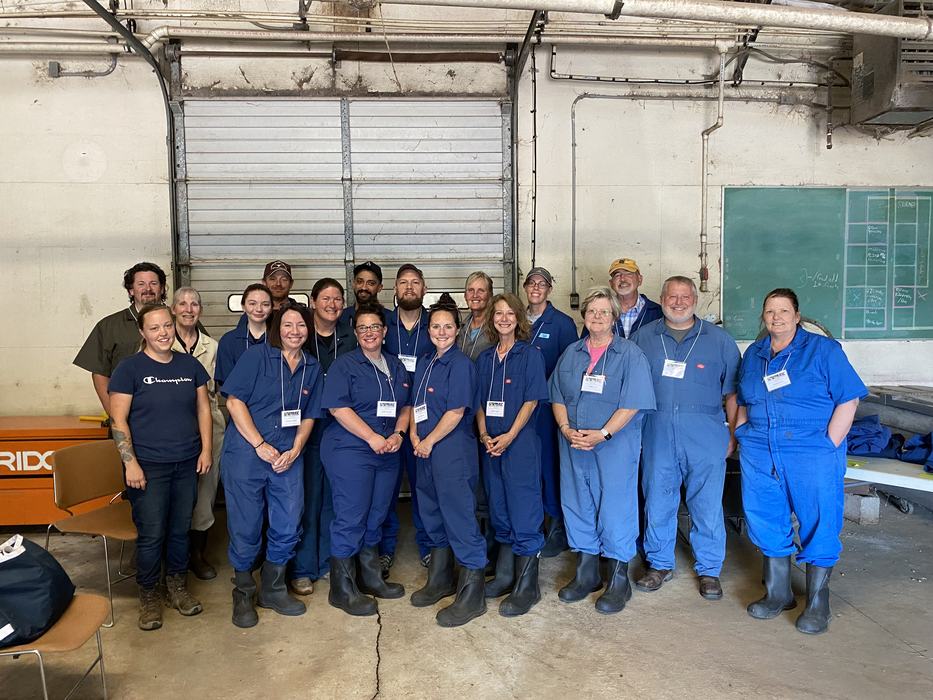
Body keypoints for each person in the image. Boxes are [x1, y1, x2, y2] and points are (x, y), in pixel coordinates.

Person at [736, 288, 866, 635]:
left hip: (810, 448)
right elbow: (743, 397)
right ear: (763, 317)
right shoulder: (755, 353)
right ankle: (778, 593)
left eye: (783, 311)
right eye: (769, 311)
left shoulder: (822, 351)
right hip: (760, 446)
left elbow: (848, 399)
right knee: (764, 515)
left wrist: (829, 444)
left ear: (797, 316)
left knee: (818, 518)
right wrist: (742, 431)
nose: (776, 317)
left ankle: (818, 602)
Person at [631, 276, 741, 601]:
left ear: (695, 299)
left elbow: (734, 394)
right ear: (661, 299)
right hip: (656, 431)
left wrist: (732, 435)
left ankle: (709, 569)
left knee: (706, 504)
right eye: (671, 296)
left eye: (684, 296)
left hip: (705, 433)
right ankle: (660, 563)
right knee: (658, 499)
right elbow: (630, 394)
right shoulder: (642, 339)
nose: (678, 302)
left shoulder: (720, 341)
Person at [549, 287, 656, 615]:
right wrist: (566, 429)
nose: (597, 317)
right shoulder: (571, 353)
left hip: (614, 446)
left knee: (615, 505)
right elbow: (555, 395)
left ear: (614, 317)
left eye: (603, 312)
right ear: (585, 316)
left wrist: (603, 434)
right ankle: (587, 571)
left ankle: (619, 578)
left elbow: (634, 402)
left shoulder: (630, 355)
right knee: (578, 501)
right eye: (592, 311)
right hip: (573, 444)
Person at [108, 304, 212, 631]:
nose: (163, 333)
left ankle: (177, 587)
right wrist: (131, 464)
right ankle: (150, 595)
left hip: (186, 463)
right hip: (149, 467)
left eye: (167, 326)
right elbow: (118, 420)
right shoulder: (129, 369)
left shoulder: (190, 365)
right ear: (142, 333)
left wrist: (206, 449)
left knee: (180, 529)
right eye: (154, 328)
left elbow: (203, 411)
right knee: (152, 535)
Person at [220, 302, 323, 628]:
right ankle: (244, 591)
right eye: (289, 325)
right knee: (246, 525)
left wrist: (295, 448)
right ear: (278, 328)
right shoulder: (257, 357)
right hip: (248, 456)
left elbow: (309, 414)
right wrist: (259, 444)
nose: (295, 331)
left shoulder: (311, 366)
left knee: (289, 521)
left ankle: (274, 588)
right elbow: (233, 401)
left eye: (301, 325)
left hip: (288, 458)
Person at [320, 302, 412, 616]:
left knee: (376, 515)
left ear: (385, 331)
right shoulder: (345, 365)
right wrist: (371, 437)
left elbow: (406, 406)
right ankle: (341, 589)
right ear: (356, 333)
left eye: (375, 327)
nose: (369, 333)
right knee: (351, 517)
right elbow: (337, 408)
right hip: (351, 450)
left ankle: (371, 577)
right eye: (363, 328)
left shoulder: (395, 365)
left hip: (387, 450)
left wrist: (398, 435)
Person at [409, 293, 486, 627]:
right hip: (424, 451)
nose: (441, 332)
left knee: (460, 517)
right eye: (436, 326)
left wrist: (427, 440)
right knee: (432, 513)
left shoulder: (461, 365)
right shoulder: (426, 363)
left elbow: (456, 412)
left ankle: (473, 596)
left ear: (458, 330)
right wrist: (413, 436)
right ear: (429, 331)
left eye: (448, 327)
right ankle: (440, 578)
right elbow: (414, 406)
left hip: (451, 452)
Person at [475, 293, 549, 617]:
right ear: (492, 318)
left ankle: (527, 586)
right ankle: (505, 574)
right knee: (499, 507)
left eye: (509, 314)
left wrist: (509, 435)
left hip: (519, 445)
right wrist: (484, 434)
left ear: (519, 319)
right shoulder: (484, 358)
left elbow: (532, 401)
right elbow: (477, 402)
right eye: (498, 313)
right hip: (490, 444)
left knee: (524, 508)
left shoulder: (530, 355)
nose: (503, 318)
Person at [289, 278, 357, 596]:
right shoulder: (300, 336)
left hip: (342, 431)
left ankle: (329, 564)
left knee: (335, 500)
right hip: (307, 429)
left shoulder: (350, 337)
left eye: (337, 298)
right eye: (325, 298)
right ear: (313, 301)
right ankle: (303, 568)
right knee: (307, 499)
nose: (332, 304)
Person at [379, 264, 433, 577]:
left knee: (424, 486)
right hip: (389, 419)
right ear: (395, 290)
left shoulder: (435, 324)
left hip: (425, 422)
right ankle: (384, 550)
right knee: (385, 488)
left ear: (424, 289)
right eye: (403, 283)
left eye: (415, 283)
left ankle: (428, 547)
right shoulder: (383, 325)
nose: (409, 288)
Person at [171, 287, 226, 581]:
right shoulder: (159, 343)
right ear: (173, 309)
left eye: (194, 304)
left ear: (200, 311)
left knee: (205, 491)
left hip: (211, 426)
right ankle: (174, 557)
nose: (188, 309)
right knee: (176, 491)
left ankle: (197, 555)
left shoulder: (212, 346)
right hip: (174, 424)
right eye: (182, 304)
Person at [523, 266, 579, 557]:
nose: (536, 288)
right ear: (525, 287)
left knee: (550, 465)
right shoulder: (516, 320)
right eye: (531, 283)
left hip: (548, 408)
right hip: (520, 409)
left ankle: (557, 525)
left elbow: (570, 368)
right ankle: (532, 522)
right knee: (527, 466)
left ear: (549, 289)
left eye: (542, 283)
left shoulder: (562, 323)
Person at [74, 261, 168, 415]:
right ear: (131, 290)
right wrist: (116, 415)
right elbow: (100, 374)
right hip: (129, 414)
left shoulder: (180, 322)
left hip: (175, 415)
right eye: (141, 284)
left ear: (162, 288)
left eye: (153, 283)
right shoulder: (109, 326)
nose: (148, 289)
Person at [215, 284, 273, 388]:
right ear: (243, 306)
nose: (259, 309)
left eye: (265, 304)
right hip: (237, 402)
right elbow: (227, 384)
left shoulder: (280, 340)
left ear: (271, 307)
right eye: (252, 303)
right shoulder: (228, 341)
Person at [607, 258, 663, 339]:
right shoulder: (599, 311)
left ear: (640, 280)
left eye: (628, 274)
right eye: (617, 275)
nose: (622, 279)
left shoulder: (658, 312)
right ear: (611, 283)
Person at [456, 271, 495, 362]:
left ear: (490, 295)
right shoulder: (459, 327)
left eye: (481, 291)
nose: (475, 295)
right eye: (471, 290)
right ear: (465, 296)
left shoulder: (497, 327)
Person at [340, 261, 383, 327]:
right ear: (353, 284)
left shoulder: (389, 318)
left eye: (371, 283)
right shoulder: (341, 317)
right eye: (359, 282)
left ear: (380, 287)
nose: (364, 287)